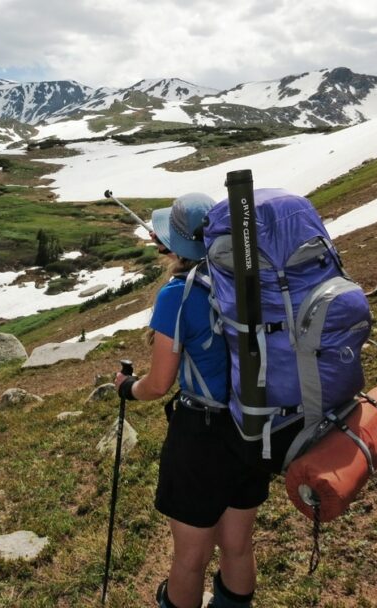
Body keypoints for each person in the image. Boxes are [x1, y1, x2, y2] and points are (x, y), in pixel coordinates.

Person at [114, 193, 269, 608]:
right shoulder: (249, 280)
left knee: (190, 557)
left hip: (200, 436)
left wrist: (128, 387)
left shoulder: (176, 296)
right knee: (238, 544)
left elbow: (159, 383)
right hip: (252, 424)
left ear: (175, 247)